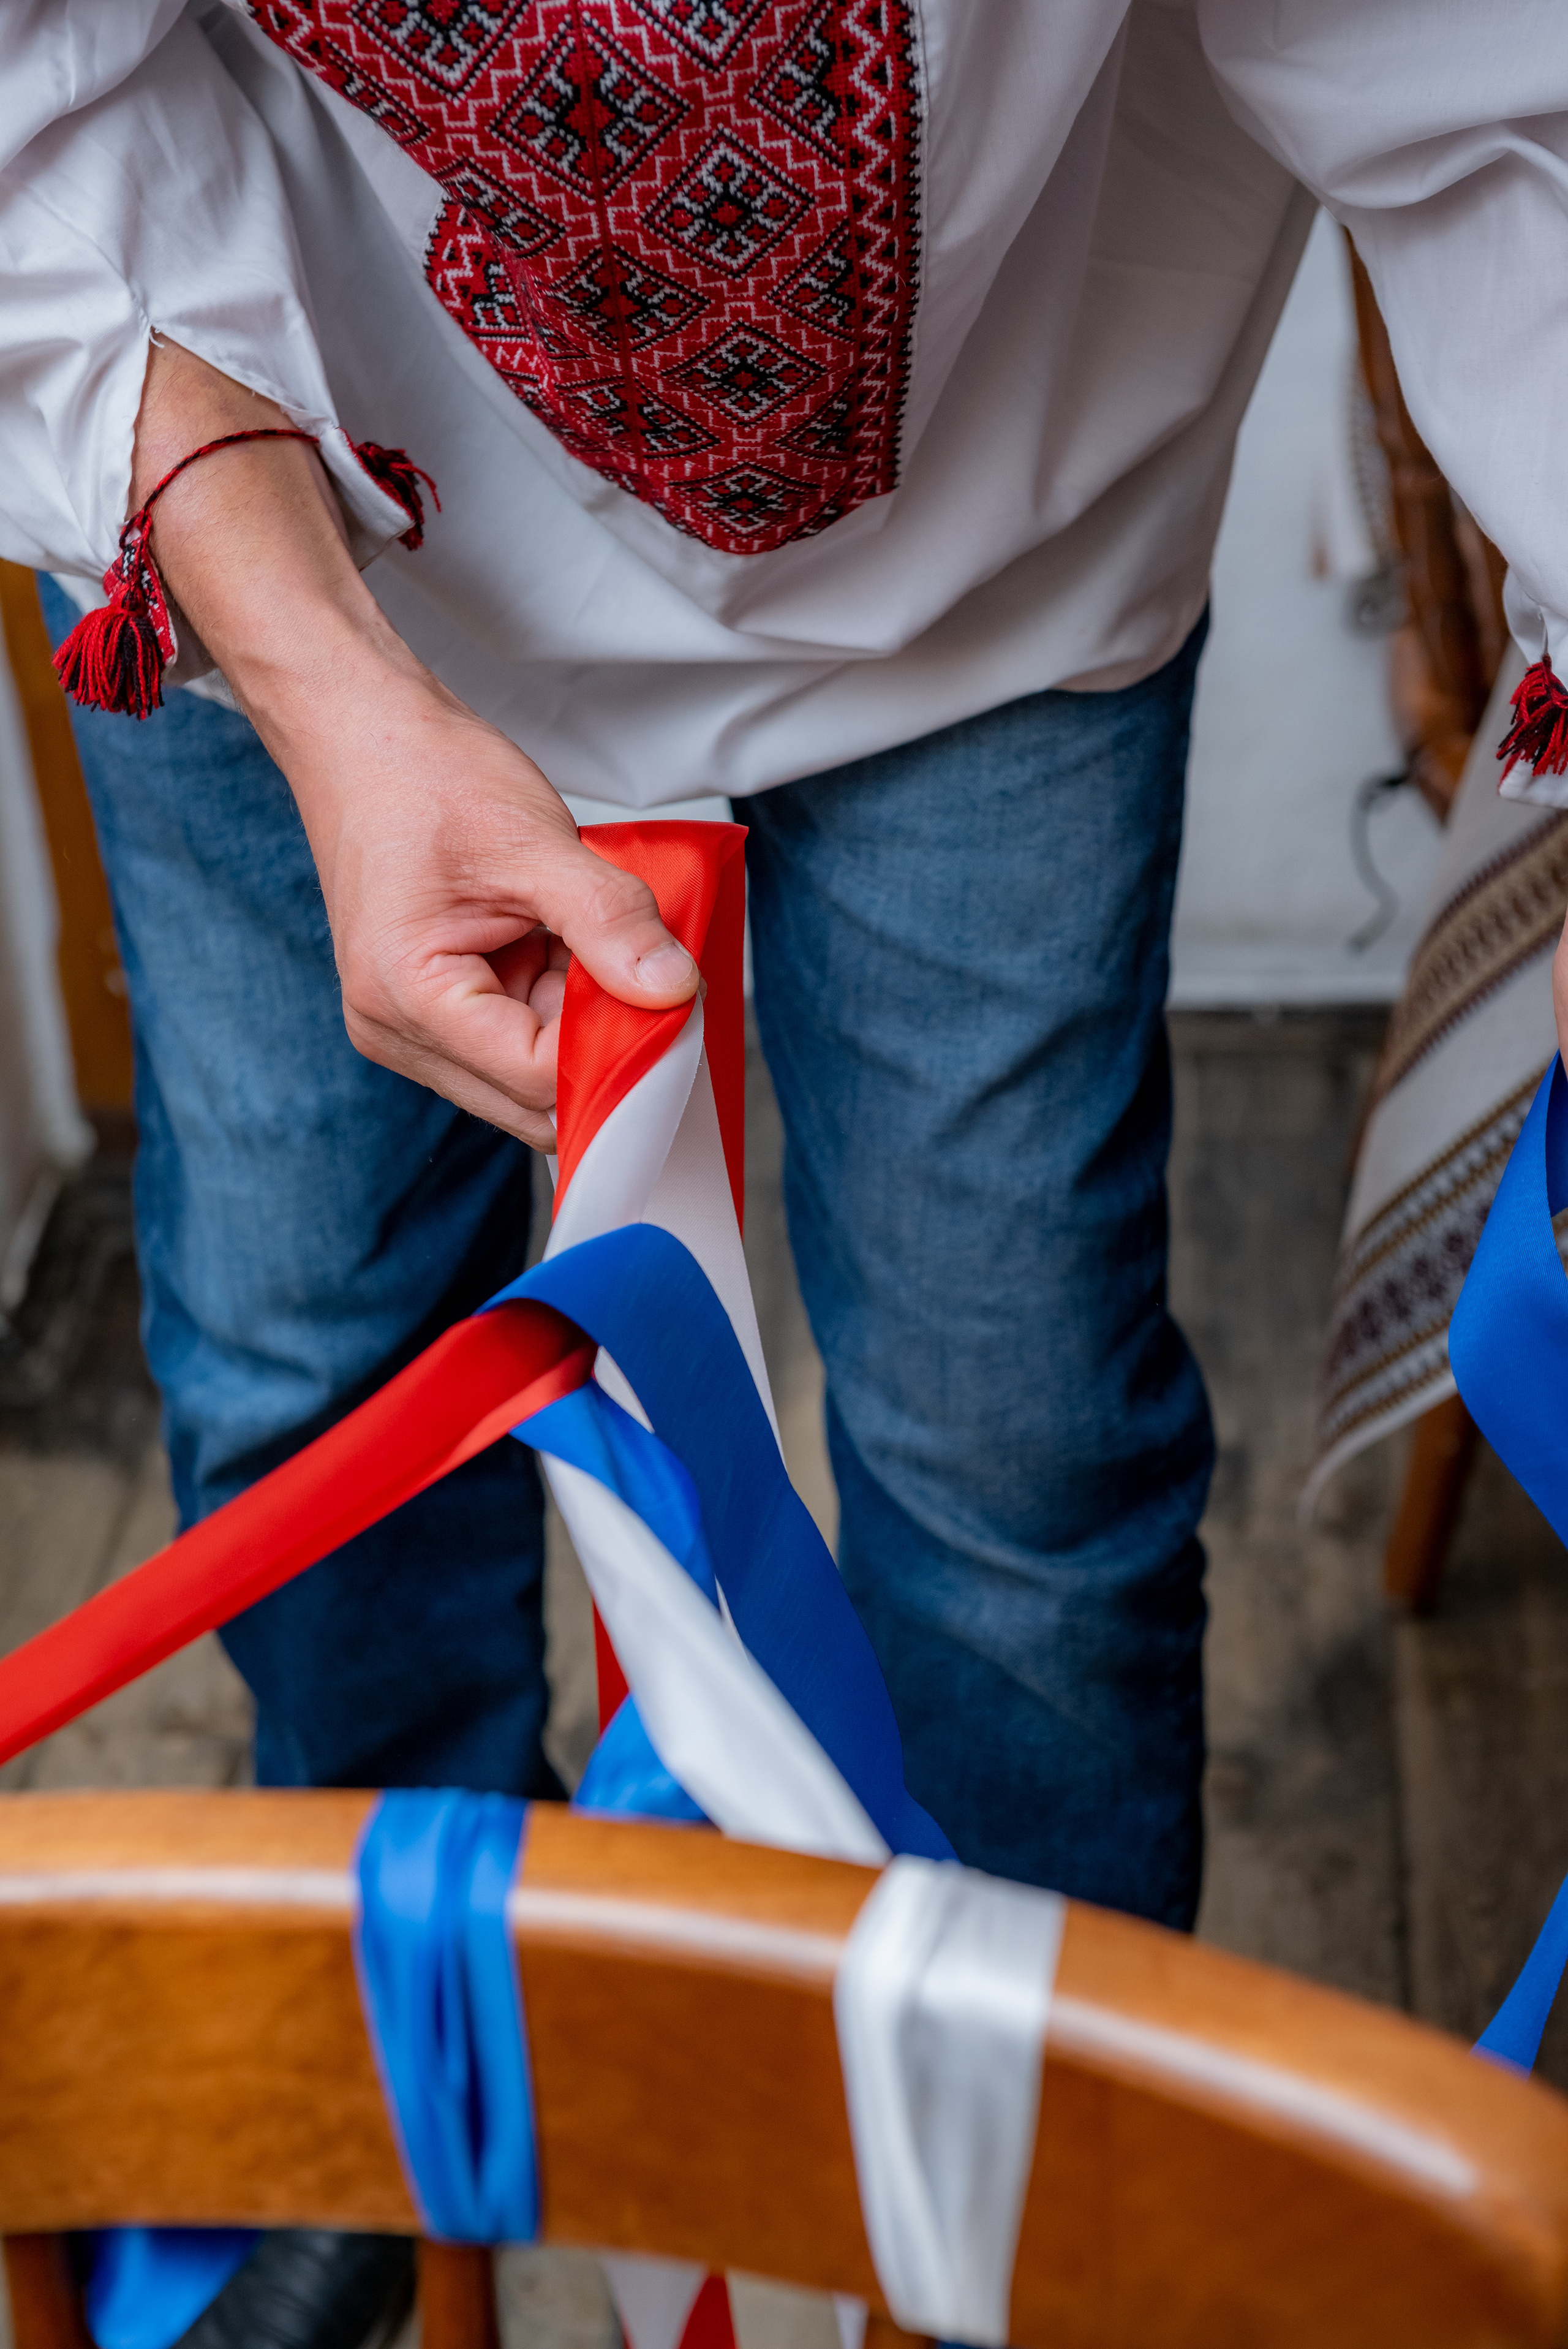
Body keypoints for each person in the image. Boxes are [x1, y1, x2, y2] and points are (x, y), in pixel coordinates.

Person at [4, 4, 1568, 2335]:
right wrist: (324, 679)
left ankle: (1026, 2206)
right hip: (271, 510)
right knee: (303, 1375)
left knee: (1017, 1453)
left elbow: (1478, 99)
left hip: (998, 560)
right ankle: (355, 2099)